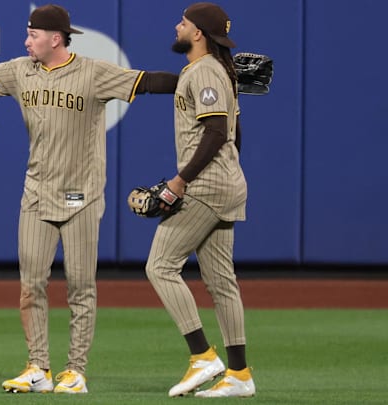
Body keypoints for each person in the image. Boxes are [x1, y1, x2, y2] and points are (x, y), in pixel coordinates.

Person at [0, 4, 177, 394]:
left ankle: (75, 370)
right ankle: (38, 367)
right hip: (36, 195)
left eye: (33, 35)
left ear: (56, 38)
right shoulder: (20, 71)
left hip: (82, 197)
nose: (26, 41)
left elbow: (146, 82)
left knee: (80, 287)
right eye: (27, 34)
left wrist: (195, 80)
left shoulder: (93, 72)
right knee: (31, 286)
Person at [144, 2, 255, 398]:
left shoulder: (207, 69)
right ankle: (239, 374)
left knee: (160, 266)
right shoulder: (218, 70)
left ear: (198, 34)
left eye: (184, 22)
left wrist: (180, 181)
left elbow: (216, 132)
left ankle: (202, 356)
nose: (178, 26)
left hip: (207, 185)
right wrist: (228, 173)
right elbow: (235, 132)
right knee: (222, 282)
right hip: (225, 182)